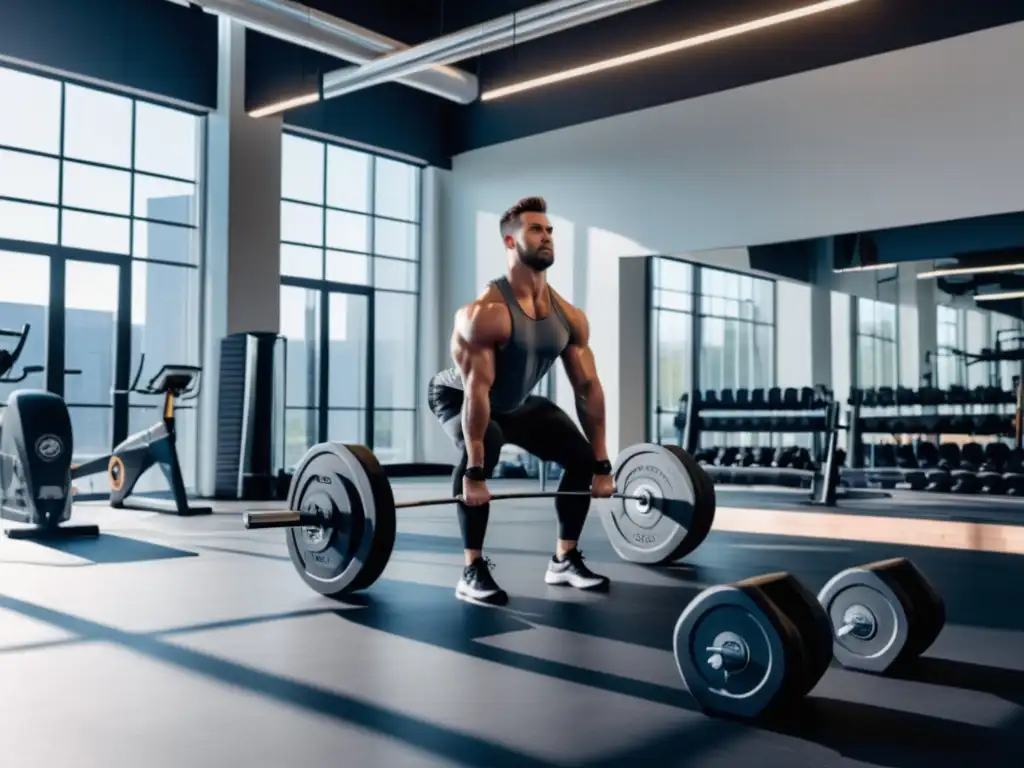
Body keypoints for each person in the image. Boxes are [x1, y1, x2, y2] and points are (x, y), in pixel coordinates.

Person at [427, 196, 614, 605]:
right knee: (486, 446)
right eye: (535, 230)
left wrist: (602, 464)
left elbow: (588, 388)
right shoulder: (485, 313)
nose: (546, 237)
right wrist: (474, 474)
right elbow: (477, 390)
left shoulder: (569, 316)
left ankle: (564, 561)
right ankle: (470, 569)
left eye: (549, 230)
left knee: (580, 457)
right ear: (511, 242)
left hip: (516, 403)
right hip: (460, 395)